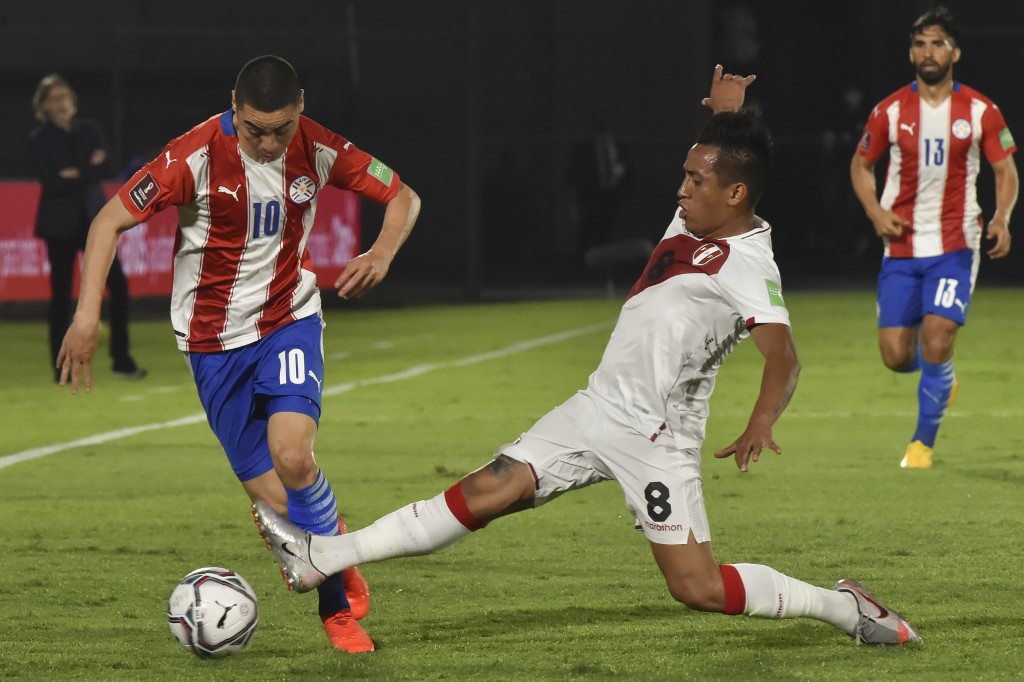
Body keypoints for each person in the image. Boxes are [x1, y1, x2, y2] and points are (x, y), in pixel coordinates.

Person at [254, 65, 921, 648]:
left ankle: (844, 607)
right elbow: (726, 155)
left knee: (698, 589)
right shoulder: (700, 213)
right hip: (595, 406)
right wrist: (725, 111)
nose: (681, 189)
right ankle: (321, 556)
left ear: (735, 195)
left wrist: (761, 422)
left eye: (694, 179)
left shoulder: (750, 263)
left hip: (656, 440)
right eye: (685, 176)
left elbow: (785, 358)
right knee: (489, 490)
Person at [57, 55, 421, 653]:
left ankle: (337, 614)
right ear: (234, 106)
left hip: (288, 320)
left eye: (281, 128)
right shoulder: (193, 156)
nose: (270, 141)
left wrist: (380, 253)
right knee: (283, 504)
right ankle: (332, 545)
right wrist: (87, 316)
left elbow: (402, 195)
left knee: (295, 458)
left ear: (300, 107)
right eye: (255, 129)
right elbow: (106, 223)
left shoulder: (319, 147)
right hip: (212, 343)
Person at [850, 6, 1018, 469]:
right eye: (921, 43)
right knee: (895, 355)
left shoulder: (981, 110)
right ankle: (941, 377)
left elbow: (1005, 170)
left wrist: (1001, 217)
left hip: (956, 244)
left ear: (955, 52)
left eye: (938, 42)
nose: (929, 51)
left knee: (938, 339)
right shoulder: (890, 110)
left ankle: (921, 445)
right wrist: (875, 211)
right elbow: (860, 165)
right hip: (902, 247)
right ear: (910, 54)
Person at [28, 74, 146, 382]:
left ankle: (122, 359)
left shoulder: (89, 129)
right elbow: (51, 181)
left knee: (118, 286)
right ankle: (61, 367)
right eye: (53, 98)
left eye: (64, 96)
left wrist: (73, 172)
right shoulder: (39, 138)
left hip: (94, 221)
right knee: (61, 294)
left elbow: (107, 168)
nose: (61, 103)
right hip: (59, 224)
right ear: (43, 105)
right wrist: (86, 168)